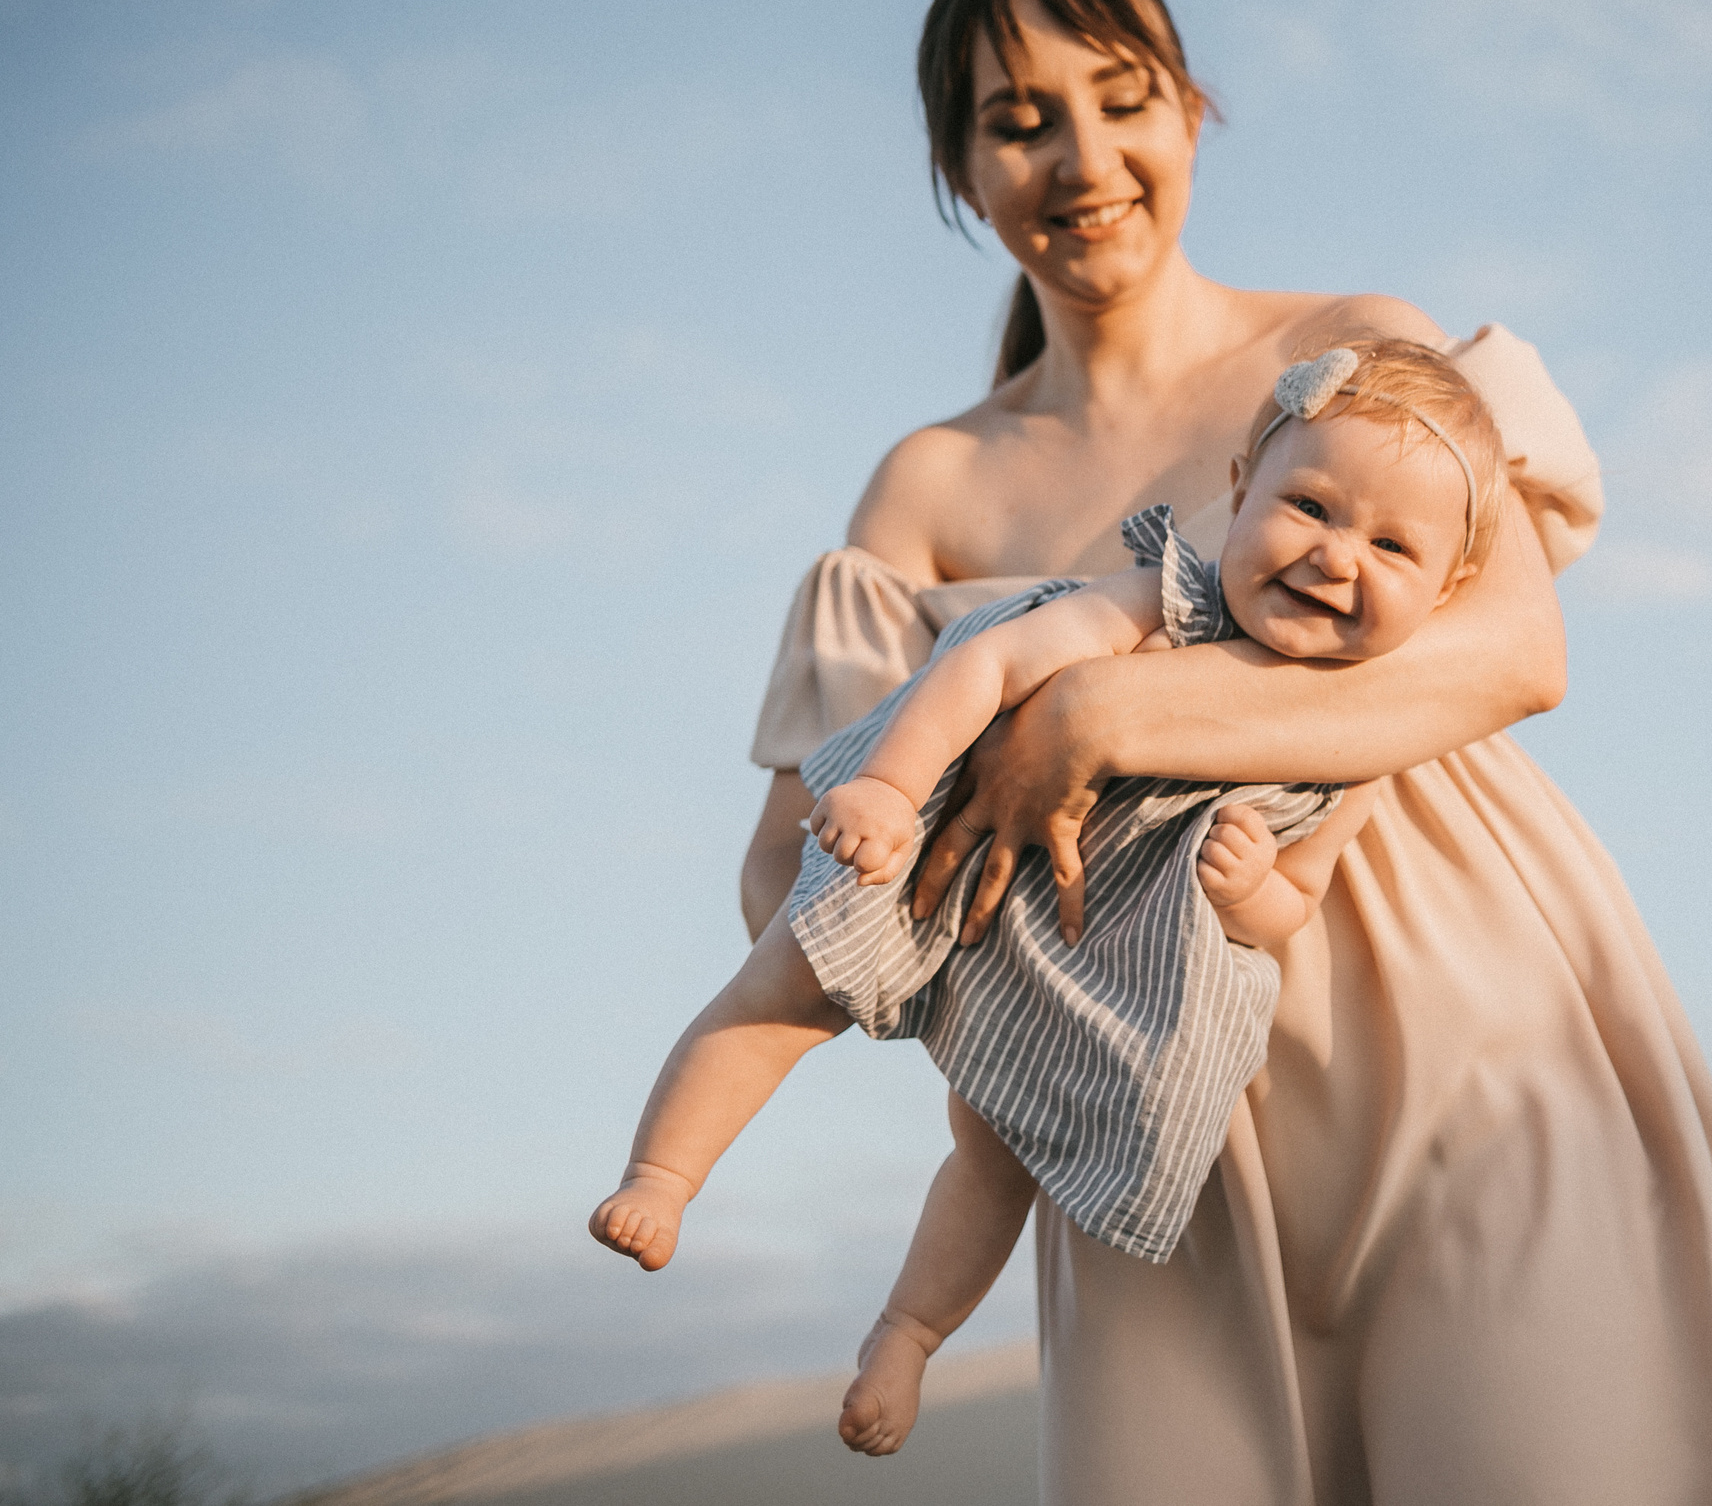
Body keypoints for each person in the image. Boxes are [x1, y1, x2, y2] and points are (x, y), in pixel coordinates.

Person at [738, 0, 1712, 1504]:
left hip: (1472, 1031)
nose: (1080, 155)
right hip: (1136, 1124)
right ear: (955, 166)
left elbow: (1515, 654)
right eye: (1016, 118)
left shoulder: (1358, 352)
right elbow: (777, 869)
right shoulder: (930, 484)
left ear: (1192, 111)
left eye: (1121, 97)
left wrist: (1110, 707)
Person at [592, 341, 1502, 1455]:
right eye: (1308, 504)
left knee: (998, 1152)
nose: (1333, 555)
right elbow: (983, 669)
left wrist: (1253, 892)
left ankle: (907, 1333)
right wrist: (889, 782)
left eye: (1391, 544)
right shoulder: (1160, 603)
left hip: (1089, 944)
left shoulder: (1357, 745)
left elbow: (1296, 900)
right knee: (786, 987)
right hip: (945, 838)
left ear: (1449, 588)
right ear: (1238, 492)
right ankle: (664, 1173)